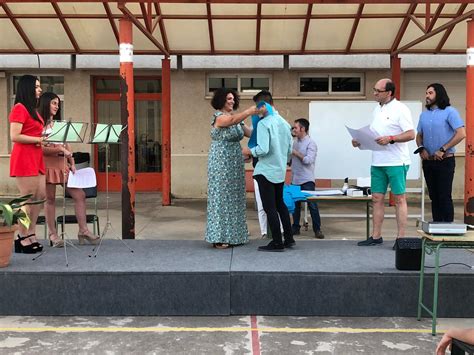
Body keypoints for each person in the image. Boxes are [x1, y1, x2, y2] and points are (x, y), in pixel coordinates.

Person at [352, 78, 415, 247]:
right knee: (376, 198)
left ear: (389, 92)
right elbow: (374, 135)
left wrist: (392, 138)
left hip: (396, 161)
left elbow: (411, 134)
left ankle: (401, 238)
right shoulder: (376, 109)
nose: (374, 93)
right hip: (378, 161)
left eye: (378, 91)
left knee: (399, 198)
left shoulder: (401, 109)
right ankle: (376, 236)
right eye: (374, 89)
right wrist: (360, 141)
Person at [39, 92, 99, 247]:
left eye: (58, 104)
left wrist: (72, 162)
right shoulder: (38, 124)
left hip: (62, 164)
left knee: (79, 194)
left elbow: (67, 144)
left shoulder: (59, 124)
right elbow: (40, 148)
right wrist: (59, 149)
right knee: (50, 199)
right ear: (45, 104)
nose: (56, 106)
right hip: (47, 165)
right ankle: (53, 235)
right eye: (53, 103)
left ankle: (83, 230)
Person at [205, 88, 258, 249]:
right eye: (229, 98)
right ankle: (219, 237)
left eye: (233, 98)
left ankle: (235, 235)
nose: (232, 101)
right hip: (220, 163)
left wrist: (267, 123)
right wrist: (249, 111)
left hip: (234, 162)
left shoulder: (237, 120)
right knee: (221, 198)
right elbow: (231, 121)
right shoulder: (219, 117)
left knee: (235, 197)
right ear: (221, 100)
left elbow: (250, 133)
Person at [242, 90, 294, 252]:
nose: (256, 111)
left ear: (263, 106)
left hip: (265, 171)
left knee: (269, 207)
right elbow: (289, 149)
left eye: (257, 108)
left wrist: (249, 152)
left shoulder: (264, 123)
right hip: (279, 170)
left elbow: (263, 149)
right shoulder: (284, 123)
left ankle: (277, 242)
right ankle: (289, 238)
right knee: (280, 205)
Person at [416, 83, 465, 222]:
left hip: (445, 161)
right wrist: (421, 148)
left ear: (439, 94)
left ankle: (448, 228)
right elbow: (418, 135)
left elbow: (461, 133)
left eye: (430, 93)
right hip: (429, 162)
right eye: (426, 93)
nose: (427, 96)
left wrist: (443, 149)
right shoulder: (424, 115)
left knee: (444, 195)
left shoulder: (450, 112)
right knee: (434, 196)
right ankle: (437, 227)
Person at [9, 75, 45, 254]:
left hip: (36, 156)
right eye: (37, 86)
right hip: (24, 157)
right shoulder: (19, 108)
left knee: (39, 196)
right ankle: (21, 236)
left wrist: (41, 139)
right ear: (27, 88)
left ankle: (31, 232)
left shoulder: (33, 110)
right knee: (27, 199)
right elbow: (14, 136)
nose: (40, 89)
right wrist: (37, 139)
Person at [290, 118, 324, 239]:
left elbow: (308, 160)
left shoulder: (311, 143)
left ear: (303, 129)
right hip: (295, 178)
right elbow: (290, 161)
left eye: (295, 128)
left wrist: (295, 153)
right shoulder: (294, 142)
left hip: (307, 179)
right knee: (295, 205)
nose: (293, 130)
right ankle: (295, 227)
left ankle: (317, 229)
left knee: (312, 205)